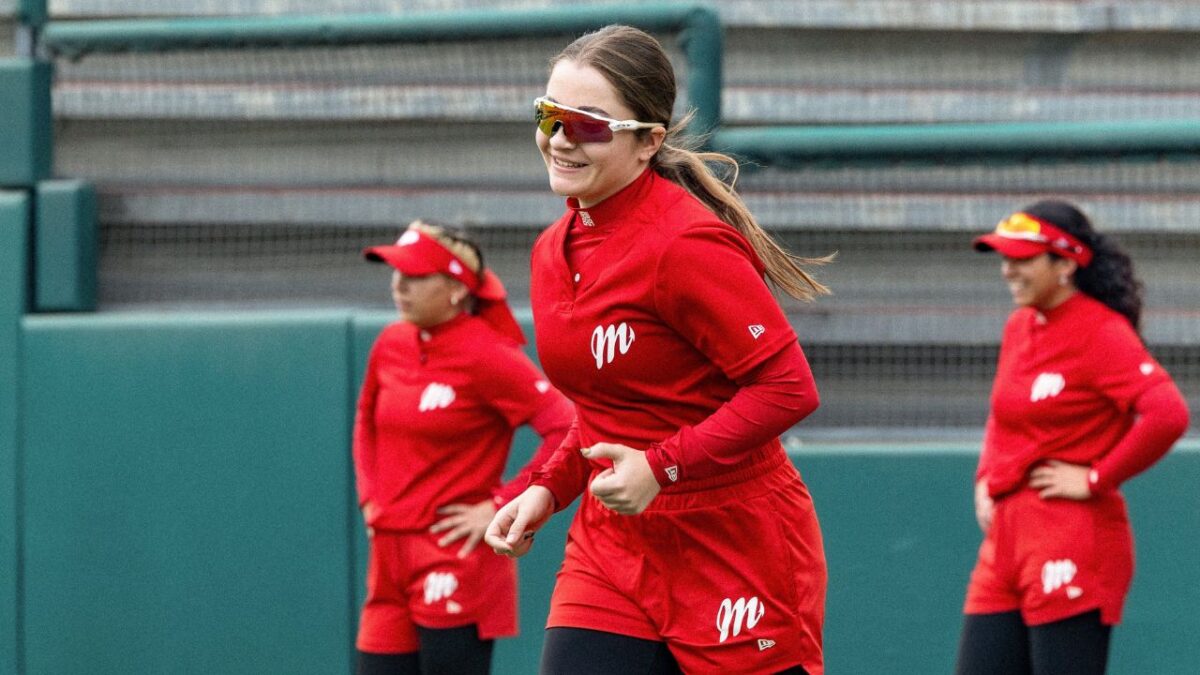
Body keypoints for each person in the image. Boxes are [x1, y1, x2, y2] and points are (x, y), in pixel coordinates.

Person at [484, 25, 831, 675]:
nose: (560, 139)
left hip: (734, 544)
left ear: (649, 142)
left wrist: (661, 467)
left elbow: (789, 388)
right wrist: (546, 489)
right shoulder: (549, 252)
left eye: (588, 124)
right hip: (613, 547)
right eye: (549, 115)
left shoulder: (685, 246)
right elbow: (607, 409)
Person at [955, 200, 1190, 675]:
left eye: (1022, 259)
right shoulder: (1019, 325)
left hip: (1072, 537)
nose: (1007, 271)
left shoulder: (1102, 332)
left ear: (1065, 264)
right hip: (1006, 541)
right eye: (1005, 259)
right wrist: (986, 476)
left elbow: (1168, 413)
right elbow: (1003, 413)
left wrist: (1095, 477)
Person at [353, 220, 574, 675]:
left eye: (414, 276)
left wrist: (500, 504)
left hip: (454, 558)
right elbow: (365, 425)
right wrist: (371, 501)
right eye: (396, 274)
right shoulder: (389, 344)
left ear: (456, 288)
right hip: (389, 559)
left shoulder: (488, 353)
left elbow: (567, 426)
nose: (399, 286)